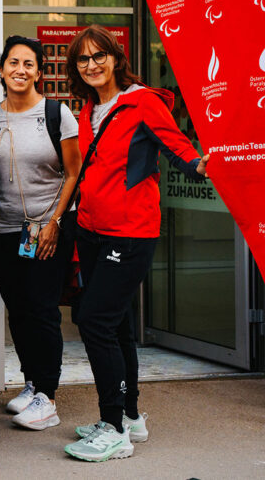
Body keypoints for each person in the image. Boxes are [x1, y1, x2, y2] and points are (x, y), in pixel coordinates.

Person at [62, 25, 209, 463]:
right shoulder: (88, 108)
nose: (91, 65)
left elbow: (178, 147)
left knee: (94, 321)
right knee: (117, 324)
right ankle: (130, 417)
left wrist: (202, 165)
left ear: (115, 57)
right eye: (83, 60)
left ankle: (112, 430)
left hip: (130, 232)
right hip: (92, 231)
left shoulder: (143, 102)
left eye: (98, 56)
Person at [0, 36, 81, 431]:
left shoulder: (58, 114)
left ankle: (49, 397)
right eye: (13, 63)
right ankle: (31, 382)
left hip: (47, 229)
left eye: (28, 64)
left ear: (39, 72)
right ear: (2, 69)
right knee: (18, 310)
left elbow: (73, 172)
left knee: (42, 311)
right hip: (2, 228)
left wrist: (54, 223)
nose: (20, 70)